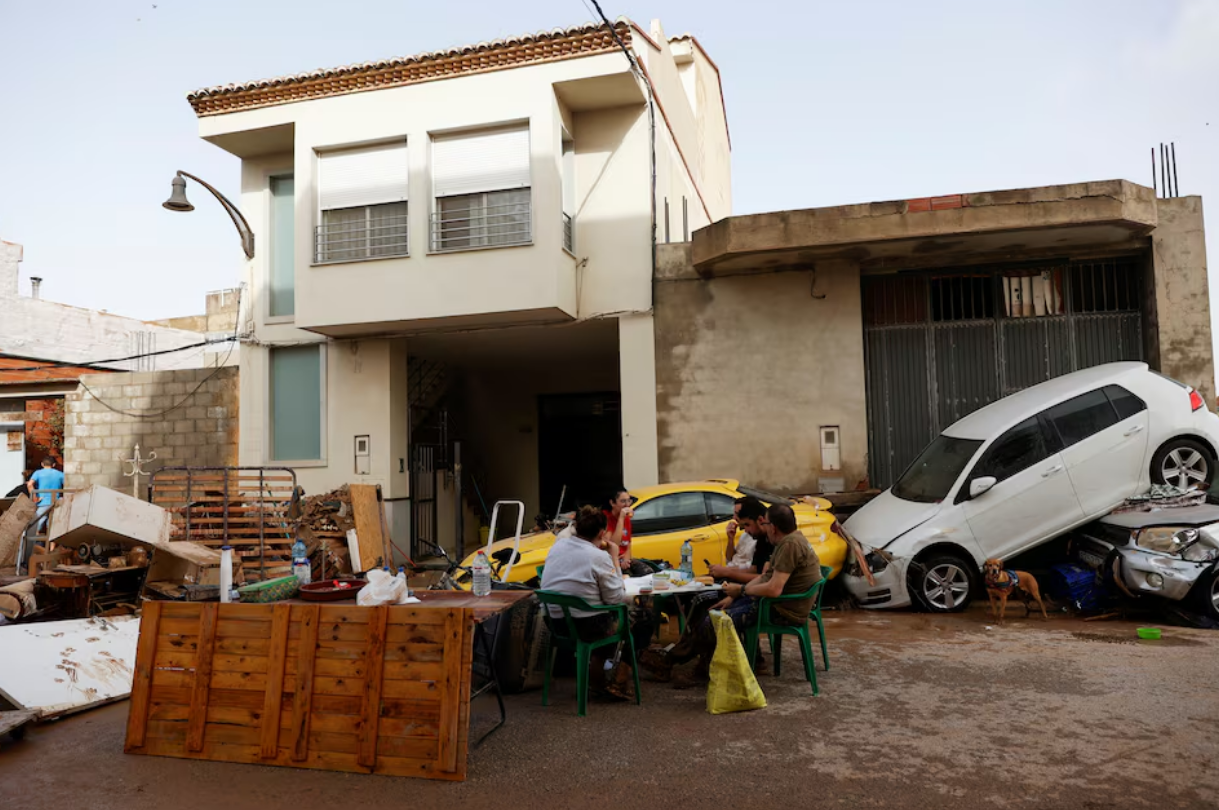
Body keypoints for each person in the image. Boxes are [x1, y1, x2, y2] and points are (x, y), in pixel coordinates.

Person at [641, 502, 822, 685]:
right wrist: (735, 594)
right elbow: (765, 577)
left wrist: (742, 590)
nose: (764, 528)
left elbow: (774, 588)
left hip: (781, 610)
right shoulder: (790, 541)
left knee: (713, 621)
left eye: (766, 524)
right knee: (712, 611)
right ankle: (683, 663)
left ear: (773, 528)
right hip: (773, 603)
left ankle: (693, 669)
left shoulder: (789, 546)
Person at [539, 505, 653, 700]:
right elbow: (615, 598)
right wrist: (614, 557)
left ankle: (598, 677)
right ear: (602, 533)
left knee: (607, 615)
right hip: (585, 626)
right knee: (642, 616)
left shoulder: (558, 545)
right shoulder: (598, 557)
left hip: (554, 622)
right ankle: (618, 680)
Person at [707, 497, 772, 584]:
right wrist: (730, 539)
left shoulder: (771, 541)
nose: (734, 517)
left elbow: (764, 579)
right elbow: (753, 568)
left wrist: (727, 572)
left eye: (747, 525)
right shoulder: (758, 537)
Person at [604, 488, 651, 577]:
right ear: (612, 503)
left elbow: (628, 546)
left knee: (647, 572)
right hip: (610, 560)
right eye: (623, 501)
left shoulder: (627, 519)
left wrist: (626, 558)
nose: (627, 505)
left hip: (623, 559)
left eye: (628, 501)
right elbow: (613, 545)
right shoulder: (606, 518)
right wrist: (621, 519)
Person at [27, 457, 64, 533]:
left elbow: (29, 484)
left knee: (36, 526)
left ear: (42, 464)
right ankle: (51, 545)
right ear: (53, 465)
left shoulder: (38, 473)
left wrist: (35, 497)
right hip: (56, 503)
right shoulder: (60, 474)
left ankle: (33, 544)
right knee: (53, 527)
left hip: (43, 502)